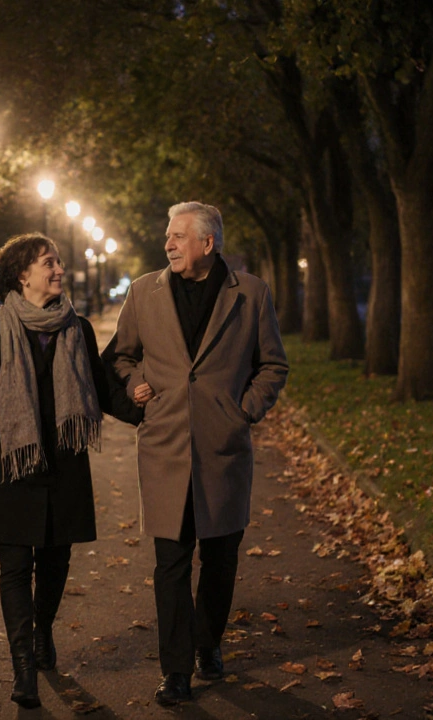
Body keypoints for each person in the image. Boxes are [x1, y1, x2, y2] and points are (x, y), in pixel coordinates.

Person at [108, 202, 288, 706]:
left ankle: (208, 642)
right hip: (165, 447)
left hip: (223, 448)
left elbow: (273, 365)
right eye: (168, 236)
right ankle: (176, 670)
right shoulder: (144, 291)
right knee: (171, 561)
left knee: (221, 559)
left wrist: (243, 411)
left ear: (208, 243)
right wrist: (136, 383)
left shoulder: (251, 294)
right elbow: (121, 356)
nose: (168, 244)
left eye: (179, 236)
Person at [0, 233, 111, 709]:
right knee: (15, 567)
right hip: (10, 468)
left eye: (58, 262)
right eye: (48, 263)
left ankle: (42, 630)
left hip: (63, 465)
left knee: (56, 562)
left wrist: (145, 404)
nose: (59, 270)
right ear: (22, 274)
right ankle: (23, 668)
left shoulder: (78, 328)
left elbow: (101, 391)